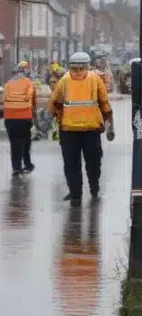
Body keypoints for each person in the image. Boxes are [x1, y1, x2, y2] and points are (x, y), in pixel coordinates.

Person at [49, 51, 114, 207]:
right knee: (93, 162)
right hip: (91, 131)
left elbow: (54, 105)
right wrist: (110, 125)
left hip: (69, 131)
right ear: (88, 65)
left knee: (71, 164)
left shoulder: (63, 81)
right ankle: (94, 187)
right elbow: (105, 104)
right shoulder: (95, 80)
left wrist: (60, 119)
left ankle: (76, 196)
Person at [2, 61, 36, 176]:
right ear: (25, 73)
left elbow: (2, 100)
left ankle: (16, 168)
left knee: (14, 143)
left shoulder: (7, 84)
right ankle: (27, 164)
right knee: (25, 141)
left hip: (10, 117)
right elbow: (30, 97)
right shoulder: (28, 83)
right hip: (25, 117)